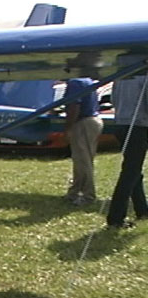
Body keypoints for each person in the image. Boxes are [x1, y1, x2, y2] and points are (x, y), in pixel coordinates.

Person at [106, 75, 148, 228]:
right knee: (130, 172)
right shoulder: (145, 77)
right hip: (138, 125)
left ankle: (142, 210)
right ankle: (116, 218)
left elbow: (113, 100)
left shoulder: (122, 76)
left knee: (133, 170)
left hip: (121, 124)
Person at [62, 78, 103, 206]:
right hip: (92, 120)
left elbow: (75, 106)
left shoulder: (74, 83)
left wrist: (68, 128)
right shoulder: (86, 80)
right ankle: (74, 192)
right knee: (82, 159)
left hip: (83, 122)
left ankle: (88, 196)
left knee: (83, 161)